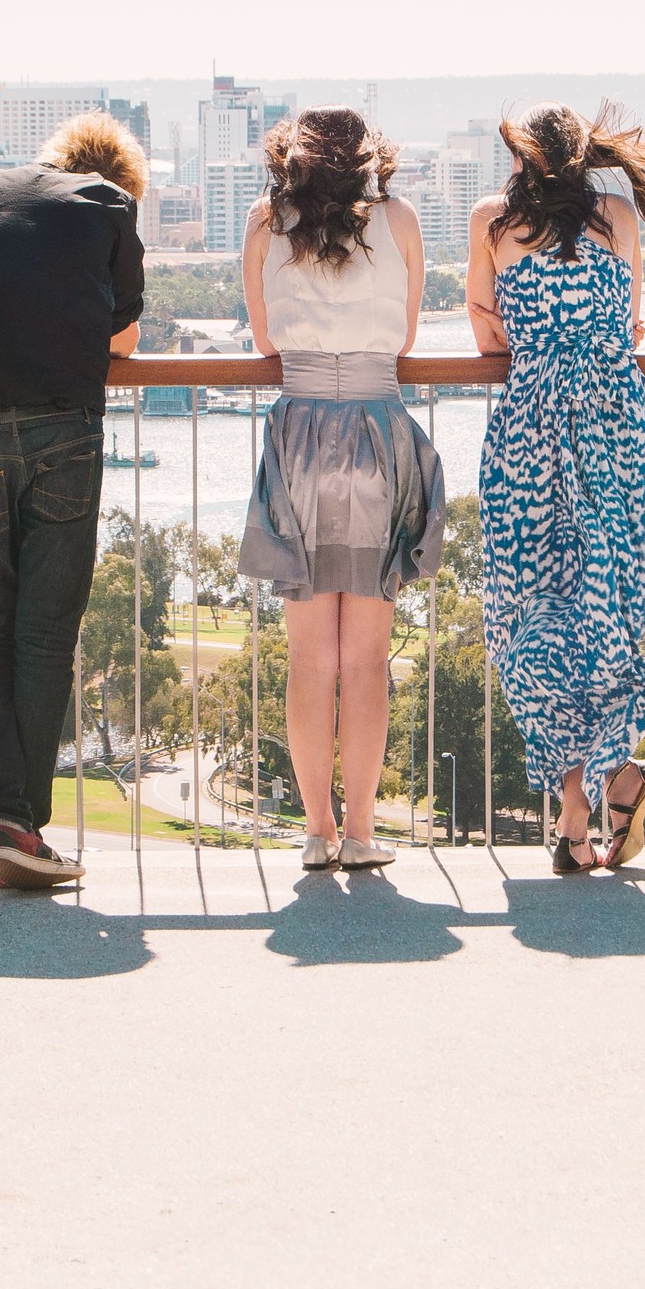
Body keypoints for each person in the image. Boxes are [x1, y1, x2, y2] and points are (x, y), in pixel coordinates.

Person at [0, 112, 146, 889]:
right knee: (45, 632)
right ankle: (21, 824)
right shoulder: (111, 208)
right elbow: (123, 342)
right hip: (65, 428)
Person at [468, 101, 645, 873]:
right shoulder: (617, 216)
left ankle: (578, 803)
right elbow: (629, 325)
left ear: (524, 158)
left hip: (529, 431)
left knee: (523, 614)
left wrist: (534, 346)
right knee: (604, 608)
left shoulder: (492, 222)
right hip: (616, 425)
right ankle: (609, 781)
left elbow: (485, 331)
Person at [239, 107, 444, 871]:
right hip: (377, 433)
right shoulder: (402, 220)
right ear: (369, 158)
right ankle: (362, 832)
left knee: (307, 658)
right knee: (365, 657)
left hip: (298, 438)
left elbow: (265, 342)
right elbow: (408, 338)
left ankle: (316, 832)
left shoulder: (266, 223)